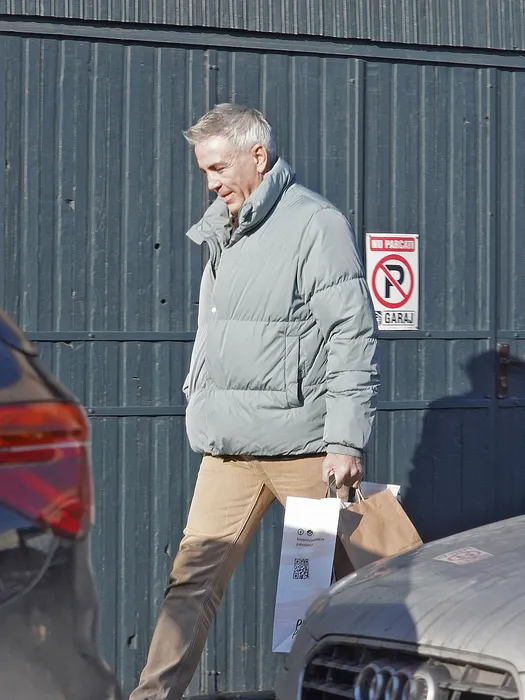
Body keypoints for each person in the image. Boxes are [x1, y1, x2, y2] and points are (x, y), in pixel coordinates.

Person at [130, 103, 380, 700]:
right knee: (190, 582)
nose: (211, 183)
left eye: (218, 168)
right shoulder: (225, 227)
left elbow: (351, 334)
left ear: (258, 156)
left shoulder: (315, 224)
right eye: (204, 171)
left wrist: (345, 440)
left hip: (303, 450)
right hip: (230, 448)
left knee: (355, 585)